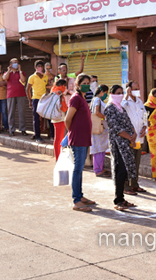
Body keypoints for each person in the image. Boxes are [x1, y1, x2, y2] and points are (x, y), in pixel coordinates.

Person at [65, 74, 96, 212]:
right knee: (78, 169)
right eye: (84, 82)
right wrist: (72, 132)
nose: (87, 85)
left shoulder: (82, 98)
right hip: (78, 139)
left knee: (80, 168)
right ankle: (76, 200)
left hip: (84, 138)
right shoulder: (76, 98)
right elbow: (67, 119)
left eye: (88, 83)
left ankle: (80, 195)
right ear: (77, 85)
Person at [105, 85, 138, 211]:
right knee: (121, 170)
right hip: (118, 144)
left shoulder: (121, 108)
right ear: (112, 94)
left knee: (126, 170)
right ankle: (118, 199)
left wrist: (133, 134)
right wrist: (130, 137)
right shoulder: (110, 108)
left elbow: (129, 123)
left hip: (126, 143)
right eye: (118, 93)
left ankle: (122, 198)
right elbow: (116, 128)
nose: (121, 95)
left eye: (122, 92)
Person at [122, 81, 148, 193]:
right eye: (135, 88)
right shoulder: (124, 101)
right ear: (129, 89)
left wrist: (145, 127)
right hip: (129, 137)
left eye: (138, 88)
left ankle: (134, 184)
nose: (137, 90)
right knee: (127, 162)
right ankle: (126, 186)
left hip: (139, 137)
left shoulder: (139, 101)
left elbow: (145, 116)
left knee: (136, 162)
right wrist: (126, 95)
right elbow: (120, 109)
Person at [90, 84, 111, 177]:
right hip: (99, 128)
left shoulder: (97, 100)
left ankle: (100, 168)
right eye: (106, 93)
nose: (106, 95)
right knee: (98, 149)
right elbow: (96, 112)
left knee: (101, 149)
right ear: (101, 92)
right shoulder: (97, 100)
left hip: (102, 129)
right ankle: (98, 170)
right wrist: (106, 117)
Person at [3, 58, 27, 136]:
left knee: (21, 112)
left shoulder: (22, 72)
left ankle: (23, 129)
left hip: (21, 94)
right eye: (14, 63)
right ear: (10, 64)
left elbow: (23, 80)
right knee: (11, 113)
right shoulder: (7, 73)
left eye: (17, 63)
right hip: (11, 95)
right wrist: (9, 70)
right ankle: (11, 129)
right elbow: (5, 78)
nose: (15, 64)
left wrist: (20, 70)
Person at [26, 60, 49, 143]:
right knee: (36, 118)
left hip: (44, 99)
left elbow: (46, 87)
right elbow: (27, 89)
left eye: (41, 67)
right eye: (38, 66)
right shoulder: (32, 77)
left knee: (47, 116)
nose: (40, 68)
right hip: (35, 99)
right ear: (35, 67)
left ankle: (50, 135)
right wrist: (30, 100)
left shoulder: (45, 77)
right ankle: (38, 136)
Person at [51, 79, 68, 160]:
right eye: (64, 85)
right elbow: (63, 107)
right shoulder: (59, 93)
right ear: (61, 85)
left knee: (59, 138)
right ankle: (58, 157)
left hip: (57, 117)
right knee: (58, 138)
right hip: (59, 117)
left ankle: (59, 156)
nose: (65, 87)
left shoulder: (54, 90)